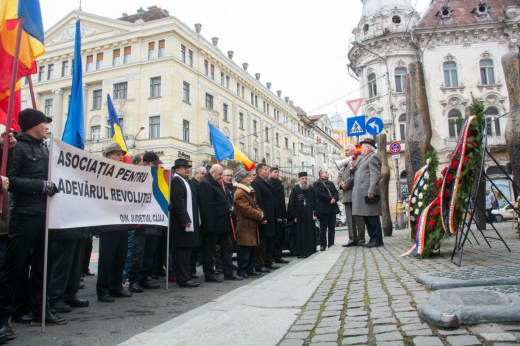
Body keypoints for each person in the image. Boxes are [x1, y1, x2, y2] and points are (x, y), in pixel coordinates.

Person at [0, 109, 65, 337]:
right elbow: (10, 180)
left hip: (45, 216)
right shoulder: (17, 148)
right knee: (13, 269)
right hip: (24, 216)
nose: (47, 127)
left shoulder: (45, 149)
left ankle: (40, 312)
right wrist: (41, 187)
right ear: (32, 125)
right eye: (44, 123)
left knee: (42, 267)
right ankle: (2, 319)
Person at [93, 143, 133, 302]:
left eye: (121, 154)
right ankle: (103, 290)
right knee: (106, 259)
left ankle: (116, 287)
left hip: (122, 222)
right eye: (117, 154)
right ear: (108, 157)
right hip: (108, 223)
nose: (120, 157)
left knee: (120, 257)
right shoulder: (101, 174)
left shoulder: (123, 175)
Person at [197, 164, 242, 282]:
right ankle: (209, 274)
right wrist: (209, 226)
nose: (222, 177)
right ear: (212, 173)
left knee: (228, 247)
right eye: (220, 174)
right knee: (210, 250)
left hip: (223, 224)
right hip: (212, 225)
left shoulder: (216, 183)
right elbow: (206, 207)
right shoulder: (205, 184)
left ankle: (228, 272)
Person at [128, 152, 164, 293]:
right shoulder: (137, 175)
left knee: (149, 253)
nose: (157, 166)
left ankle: (143, 277)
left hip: (154, 222)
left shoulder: (158, 177)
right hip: (140, 223)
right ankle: (134, 280)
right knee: (137, 252)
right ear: (147, 163)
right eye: (155, 164)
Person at [170, 158, 201, 288]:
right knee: (183, 251)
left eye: (187, 167)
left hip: (188, 222)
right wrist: (185, 219)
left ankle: (186, 276)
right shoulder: (177, 180)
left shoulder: (184, 181)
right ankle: (183, 278)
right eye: (184, 168)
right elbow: (178, 201)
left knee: (188, 251)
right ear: (177, 170)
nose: (187, 169)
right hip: (182, 223)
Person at [352, 139, 384, 248]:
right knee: (366, 217)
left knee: (372, 217)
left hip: (368, 192)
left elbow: (375, 175)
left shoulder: (373, 157)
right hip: (362, 193)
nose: (361, 150)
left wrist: (372, 190)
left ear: (369, 148)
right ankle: (372, 238)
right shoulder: (363, 158)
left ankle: (377, 239)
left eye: (363, 147)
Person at [233, 169, 264, 279]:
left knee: (252, 249)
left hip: (251, 225)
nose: (250, 178)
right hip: (244, 226)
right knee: (244, 250)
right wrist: (259, 215)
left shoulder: (248, 191)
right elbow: (246, 209)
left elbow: (255, 205)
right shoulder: (240, 193)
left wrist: (260, 213)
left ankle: (250, 269)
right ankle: (242, 270)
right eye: (248, 176)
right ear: (242, 179)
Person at [337, 144, 366, 247]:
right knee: (349, 219)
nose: (345, 152)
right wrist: (341, 184)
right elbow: (339, 177)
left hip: (355, 194)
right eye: (345, 150)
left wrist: (347, 184)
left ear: (353, 151)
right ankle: (352, 239)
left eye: (348, 150)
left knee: (358, 217)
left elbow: (357, 175)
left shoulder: (358, 161)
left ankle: (361, 239)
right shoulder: (344, 164)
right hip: (346, 195)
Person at [251, 163, 278, 273]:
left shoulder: (267, 182)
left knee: (270, 240)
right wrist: (262, 217)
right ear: (260, 171)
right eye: (266, 169)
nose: (267, 171)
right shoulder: (256, 183)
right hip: (264, 216)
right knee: (263, 242)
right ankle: (260, 264)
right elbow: (259, 201)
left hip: (271, 216)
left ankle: (268, 261)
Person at [288, 172, 319, 258]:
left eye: (305, 179)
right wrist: (294, 216)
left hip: (309, 217)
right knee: (300, 236)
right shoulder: (295, 190)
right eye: (302, 179)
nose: (304, 181)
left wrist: (316, 214)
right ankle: (300, 252)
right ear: (299, 180)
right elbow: (292, 204)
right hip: (299, 217)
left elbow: (316, 203)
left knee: (309, 234)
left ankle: (310, 251)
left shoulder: (312, 190)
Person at [313, 169, 340, 251]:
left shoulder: (331, 183)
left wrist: (335, 198)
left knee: (331, 227)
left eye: (327, 172)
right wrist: (330, 199)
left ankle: (331, 243)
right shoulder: (316, 184)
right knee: (323, 228)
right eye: (325, 172)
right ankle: (323, 244)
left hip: (332, 208)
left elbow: (336, 193)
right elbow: (319, 194)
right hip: (323, 208)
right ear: (321, 174)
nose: (327, 173)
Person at [269, 167, 289, 264]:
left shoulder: (281, 186)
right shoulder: (268, 184)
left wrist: (285, 215)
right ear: (270, 173)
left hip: (280, 214)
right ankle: (271, 256)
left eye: (278, 172)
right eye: (275, 172)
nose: (277, 174)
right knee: (272, 237)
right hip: (272, 214)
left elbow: (282, 201)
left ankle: (278, 256)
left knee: (279, 237)